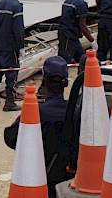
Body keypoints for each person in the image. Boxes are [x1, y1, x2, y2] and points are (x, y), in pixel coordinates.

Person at [4, 56, 72, 192]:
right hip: (68, 182)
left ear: (44, 81)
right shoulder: (75, 110)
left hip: (38, 180)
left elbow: (11, 138)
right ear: (65, 83)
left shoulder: (36, 112)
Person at [58, 0, 96, 64]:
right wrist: (92, 41)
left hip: (69, 35)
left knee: (82, 58)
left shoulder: (69, 0)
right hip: (69, 36)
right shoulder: (81, 3)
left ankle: (85, 75)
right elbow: (82, 25)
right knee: (64, 61)